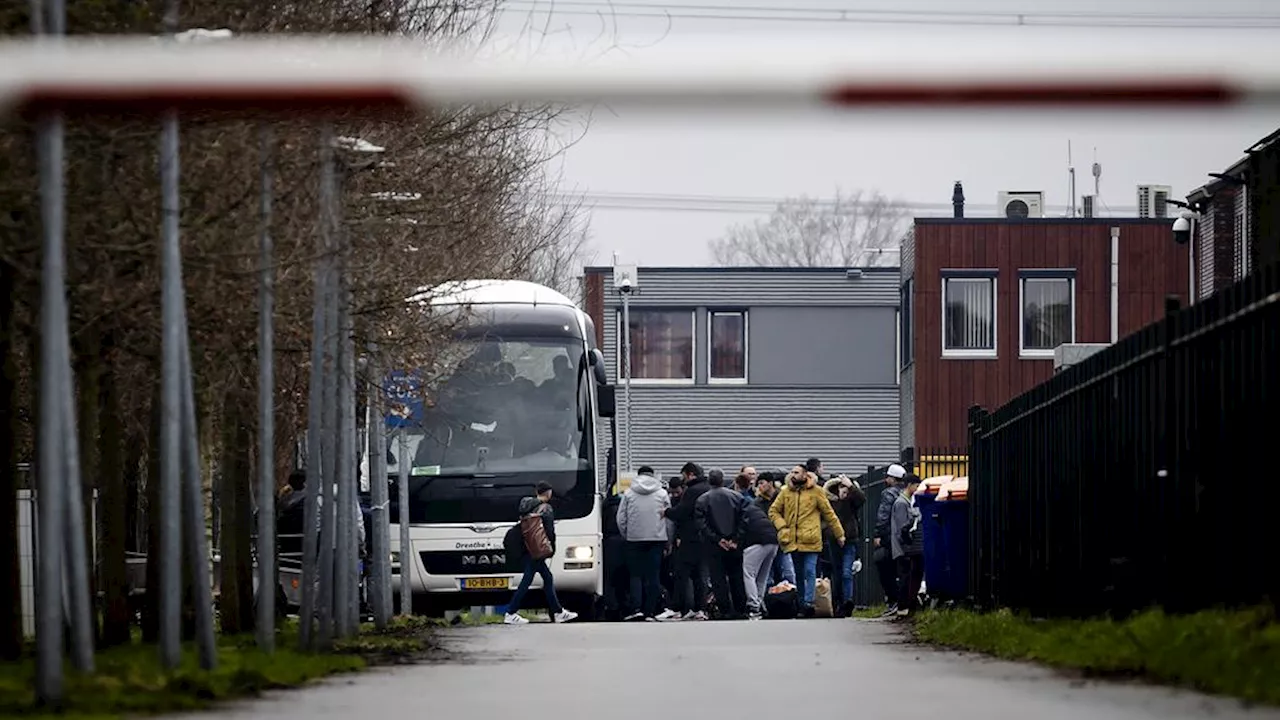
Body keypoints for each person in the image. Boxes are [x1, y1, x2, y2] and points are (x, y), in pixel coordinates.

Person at [769, 465, 844, 618]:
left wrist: (839, 534)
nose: (792, 475)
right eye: (792, 472)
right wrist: (782, 526)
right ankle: (802, 603)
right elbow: (773, 511)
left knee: (810, 570)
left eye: (796, 472)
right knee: (798, 572)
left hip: (811, 538)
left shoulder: (816, 491)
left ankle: (808, 603)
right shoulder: (785, 492)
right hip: (793, 539)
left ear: (805, 475)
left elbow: (829, 513)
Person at [504, 482, 579, 625]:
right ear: (549, 492)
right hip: (536, 550)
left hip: (526, 547)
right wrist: (550, 548)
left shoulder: (525, 505)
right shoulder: (546, 508)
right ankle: (510, 612)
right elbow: (549, 532)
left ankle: (558, 612)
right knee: (527, 580)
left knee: (547, 577)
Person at [617, 468, 672, 621]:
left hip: (634, 539)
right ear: (653, 476)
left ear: (638, 476)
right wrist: (668, 539)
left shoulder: (628, 493)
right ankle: (651, 611)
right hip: (657, 539)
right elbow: (669, 519)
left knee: (635, 575)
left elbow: (621, 518)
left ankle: (636, 608)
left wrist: (626, 534)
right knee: (653, 575)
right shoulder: (662, 493)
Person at [695, 469, 748, 620]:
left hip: (714, 545)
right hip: (734, 545)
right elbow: (745, 520)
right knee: (736, 577)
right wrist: (735, 539)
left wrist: (718, 539)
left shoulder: (702, 499)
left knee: (718, 579)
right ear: (723, 479)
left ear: (709, 481)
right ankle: (740, 608)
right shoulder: (737, 497)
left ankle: (725, 609)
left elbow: (701, 524)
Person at [664, 462, 711, 620]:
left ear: (690, 474)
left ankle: (681, 608)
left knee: (682, 574)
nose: (683, 479)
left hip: (690, 538)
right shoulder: (708, 488)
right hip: (706, 538)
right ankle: (701, 609)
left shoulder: (692, 491)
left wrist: (667, 511)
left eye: (684, 475)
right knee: (701, 576)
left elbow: (682, 512)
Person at [824, 474, 867, 617]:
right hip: (833, 539)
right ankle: (838, 602)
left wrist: (850, 486)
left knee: (846, 572)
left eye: (845, 487)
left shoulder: (852, 501)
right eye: (840, 487)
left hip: (850, 539)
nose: (843, 490)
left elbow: (862, 499)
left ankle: (848, 601)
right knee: (836, 572)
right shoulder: (830, 501)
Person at [740, 478, 780, 620]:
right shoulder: (755, 509)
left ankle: (753, 606)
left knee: (749, 574)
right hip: (774, 542)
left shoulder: (741, 511)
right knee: (762, 576)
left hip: (757, 542)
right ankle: (760, 603)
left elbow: (741, 529)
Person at [890, 473, 925, 618]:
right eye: (916, 486)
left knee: (909, 577)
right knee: (905, 578)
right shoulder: (901, 503)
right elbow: (901, 528)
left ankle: (906, 605)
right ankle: (903, 606)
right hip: (903, 548)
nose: (917, 489)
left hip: (905, 548)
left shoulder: (906, 502)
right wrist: (906, 547)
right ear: (909, 485)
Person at [873, 464, 906, 616]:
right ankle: (903, 600)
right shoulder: (906, 492)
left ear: (892, 479)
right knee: (903, 569)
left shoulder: (888, 493)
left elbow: (883, 515)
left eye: (888, 477)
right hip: (905, 536)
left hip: (889, 536)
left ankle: (893, 600)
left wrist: (878, 534)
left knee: (885, 567)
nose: (886, 479)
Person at [602, 479, 629, 621]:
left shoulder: (604, 506)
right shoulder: (624, 506)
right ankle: (624, 605)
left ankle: (611, 607)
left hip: (609, 543)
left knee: (609, 578)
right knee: (623, 577)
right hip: (624, 542)